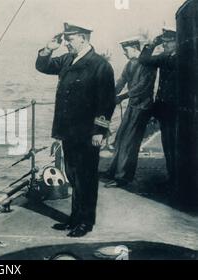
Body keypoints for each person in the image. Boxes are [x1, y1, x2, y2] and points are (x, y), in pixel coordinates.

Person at [36, 22, 116, 237]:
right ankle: (75, 217)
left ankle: (86, 221)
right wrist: (48, 49)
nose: (67, 43)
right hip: (68, 130)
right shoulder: (67, 59)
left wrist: (100, 131)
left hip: (88, 132)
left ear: (83, 38)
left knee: (86, 176)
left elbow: (106, 102)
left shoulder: (100, 65)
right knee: (73, 174)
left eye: (69, 39)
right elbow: (43, 67)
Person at [101, 37, 157, 188]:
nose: (124, 54)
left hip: (143, 107)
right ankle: (112, 171)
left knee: (129, 142)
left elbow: (142, 87)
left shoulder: (148, 64)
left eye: (125, 50)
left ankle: (123, 178)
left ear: (134, 49)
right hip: (132, 106)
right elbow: (121, 81)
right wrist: (110, 96)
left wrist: (122, 96)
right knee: (120, 138)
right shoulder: (130, 64)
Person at [139, 27, 178, 192]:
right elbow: (143, 59)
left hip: (178, 110)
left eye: (168, 42)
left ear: (177, 42)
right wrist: (152, 44)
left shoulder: (182, 58)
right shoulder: (164, 57)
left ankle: (179, 181)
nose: (165, 45)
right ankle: (173, 179)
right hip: (164, 109)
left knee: (177, 147)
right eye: (164, 42)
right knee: (168, 145)